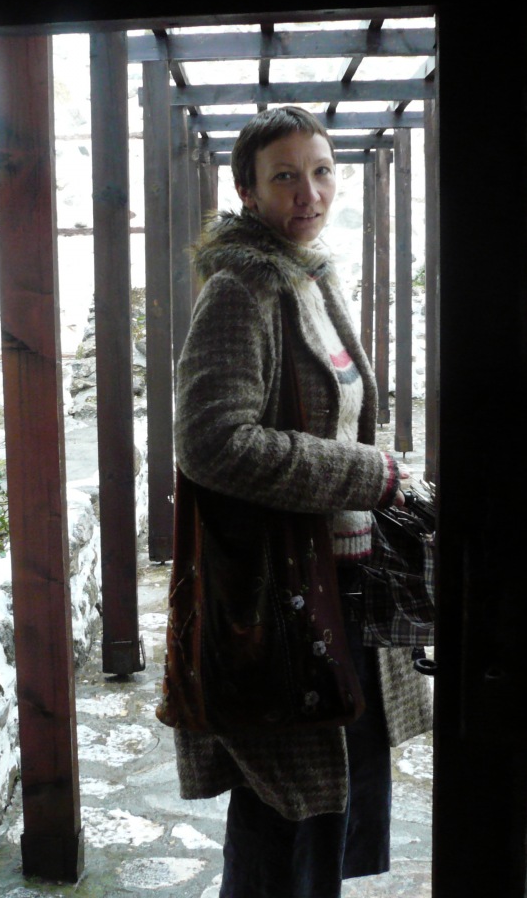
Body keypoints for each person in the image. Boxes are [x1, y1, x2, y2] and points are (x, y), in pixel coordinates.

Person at [172, 106, 433, 897]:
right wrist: (369, 474)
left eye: (320, 171)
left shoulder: (313, 276)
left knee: (330, 800)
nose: (308, 192)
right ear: (248, 192)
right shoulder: (241, 290)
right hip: (285, 593)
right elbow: (212, 442)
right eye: (284, 176)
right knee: (286, 804)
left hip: (341, 582)